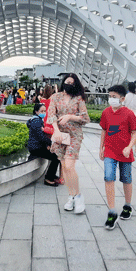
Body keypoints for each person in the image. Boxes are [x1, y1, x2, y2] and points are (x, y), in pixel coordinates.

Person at [47, 73, 90, 214]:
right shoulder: (55, 97)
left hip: (74, 135)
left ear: (75, 84)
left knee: (70, 165)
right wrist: (56, 131)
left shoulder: (78, 99)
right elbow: (51, 115)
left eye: (72, 82)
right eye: (67, 82)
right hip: (61, 136)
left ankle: (78, 196)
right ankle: (71, 196)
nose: (69, 84)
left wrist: (71, 116)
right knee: (65, 167)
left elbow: (85, 118)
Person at [100, 85, 136, 229]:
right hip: (110, 150)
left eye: (114, 97)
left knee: (126, 178)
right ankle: (112, 212)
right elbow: (104, 130)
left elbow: (135, 133)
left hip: (125, 152)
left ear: (122, 99)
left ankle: (127, 206)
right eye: (110, 96)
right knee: (108, 177)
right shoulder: (106, 112)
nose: (111, 99)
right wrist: (101, 148)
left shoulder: (129, 114)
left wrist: (129, 147)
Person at [27, 103, 61, 186]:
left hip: (37, 146)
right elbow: (41, 137)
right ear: (36, 111)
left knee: (55, 155)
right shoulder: (36, 121)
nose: (43, 112)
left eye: (44, 111)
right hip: (36, 148)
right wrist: (51, 144)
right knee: (56, 157)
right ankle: (48, 178)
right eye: (41, 111)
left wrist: (48, 145)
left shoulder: (35, 120)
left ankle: (51, 175)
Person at [40, 85, 62, 184]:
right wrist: (56, 90)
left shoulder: (41, 101)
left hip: (46, 125)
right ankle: (49, 177)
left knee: (53, 150)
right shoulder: (51, 101)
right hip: (50, 126)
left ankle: (52, 175)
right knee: (55, 153)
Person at [123, 82, 136, 154]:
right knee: (135, 133)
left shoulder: (126, 96)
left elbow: (123, 106)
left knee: (127, 132)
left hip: (127, 114)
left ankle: (128, 148)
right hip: (135, 114)